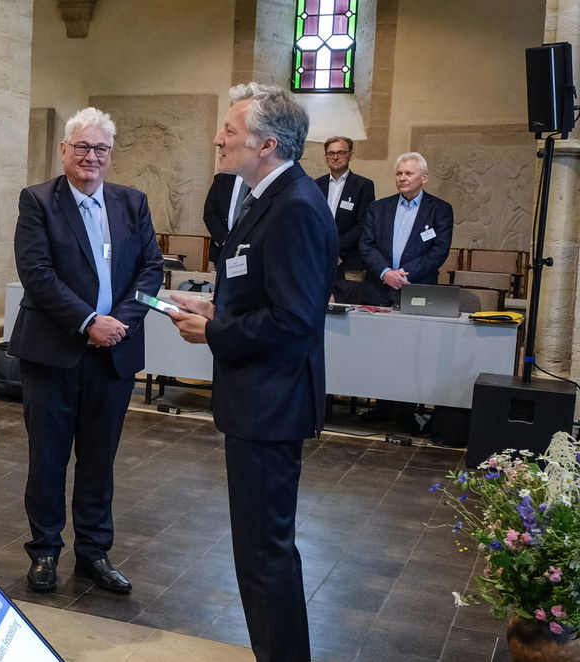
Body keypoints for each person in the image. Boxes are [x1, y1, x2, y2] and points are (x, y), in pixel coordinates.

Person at [167, 82, 334, 662]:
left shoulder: (294, 205)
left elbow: (295, 320)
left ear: (266, 144)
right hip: (257, 400)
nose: (219, 138)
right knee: (258, 552)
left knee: (265, 554)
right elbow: (266, 294)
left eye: (230, 131)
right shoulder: (267, 196)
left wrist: (215, 332)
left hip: (272, 403)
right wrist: (218, 309)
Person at [12, 108, 163, 597]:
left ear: (111, 155)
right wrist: (87, 323)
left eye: (100, 149)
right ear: (64, 151)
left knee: (100, 460)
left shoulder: (132, 202)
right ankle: (45, 552)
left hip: (113, 355)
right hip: (55, 352)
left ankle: (94, 552)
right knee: (48, 459)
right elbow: (37, 274)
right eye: (81, 147)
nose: (91, 157)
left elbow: (150, 271)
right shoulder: (38, 201)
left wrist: (119, 325)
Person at [357, 152, 453, 307]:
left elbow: (439, 250)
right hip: (377, 289)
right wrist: (385, 272)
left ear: (424, 177)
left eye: (408, 173)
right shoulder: (378, 208)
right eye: (398, 173)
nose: (402, 178)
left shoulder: (440, 209)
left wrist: (404, 275)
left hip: (418, 288)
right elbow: (366, 245)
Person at [316, 136, 375, 301]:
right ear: (325, 157)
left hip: (348, 260)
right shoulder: (316, 185)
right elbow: (311, 223)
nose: (335, 157)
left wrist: (336, 250)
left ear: (351, 155)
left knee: (348, 311)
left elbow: (362, 224)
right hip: (320, 259)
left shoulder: (363, 185)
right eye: (331, 153)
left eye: (341, 152)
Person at [201, 172, 245, 264]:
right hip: (222, 250)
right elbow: (210, 213)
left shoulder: (260, 180)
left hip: (248, 251)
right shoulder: (222, 179)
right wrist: (226, 241)